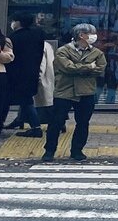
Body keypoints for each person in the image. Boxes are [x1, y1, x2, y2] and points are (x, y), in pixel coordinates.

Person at [42, 23, 107, 162]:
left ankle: (77, 150)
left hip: (86, 91)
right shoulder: (63, 51)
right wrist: (89, 66)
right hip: (65, 90)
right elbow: (67, 68)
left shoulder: (97, 52)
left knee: (83, 122)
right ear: (81, 35)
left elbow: (100, 69)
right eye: (91, 33)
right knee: (56, 122)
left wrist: (81, 68)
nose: (93, 36)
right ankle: (49, 150)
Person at [5, 14, 48, 137]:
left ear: (19, 22)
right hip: (33, 71)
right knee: (26, 98)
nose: (12, 23)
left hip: (17, 73)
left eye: (14, 20)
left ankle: (36, 127)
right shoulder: (37, 35)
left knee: (26, 100)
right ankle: (20, 120)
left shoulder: (14, 37)